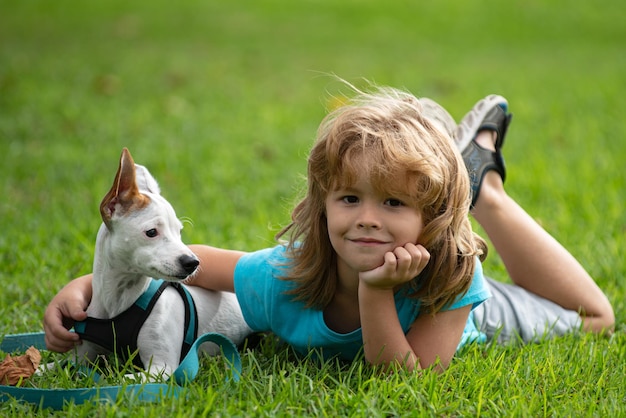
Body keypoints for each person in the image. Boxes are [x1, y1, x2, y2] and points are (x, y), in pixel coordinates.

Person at [43, 85, 615, 372]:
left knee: (597, 318)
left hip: (492, 313)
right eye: (349, 197)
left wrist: (376, 292)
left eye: (393, 201)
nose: (367, 216)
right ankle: (457, 179)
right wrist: (84, 289)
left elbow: (406, 382)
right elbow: (184, 259)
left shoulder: (452, 284)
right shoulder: (281, 276)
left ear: (428, 219)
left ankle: (479, 189)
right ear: (322, 206)